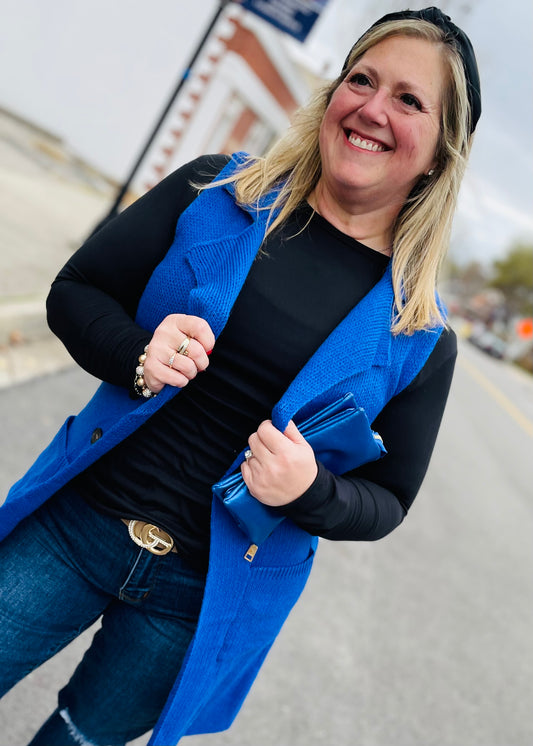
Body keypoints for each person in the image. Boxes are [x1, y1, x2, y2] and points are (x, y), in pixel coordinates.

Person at [0, 7, 481, 745]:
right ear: (331, 96)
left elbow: (387, 501)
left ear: (438, 154)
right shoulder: (215, 194)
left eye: (408, 100)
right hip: (75, 527)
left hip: (197, 601)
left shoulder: (419, 335)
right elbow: (77, 290)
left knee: (78, 737)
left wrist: (310, 491)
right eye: (361, 79)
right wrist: (135, 354)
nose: (372, 109)